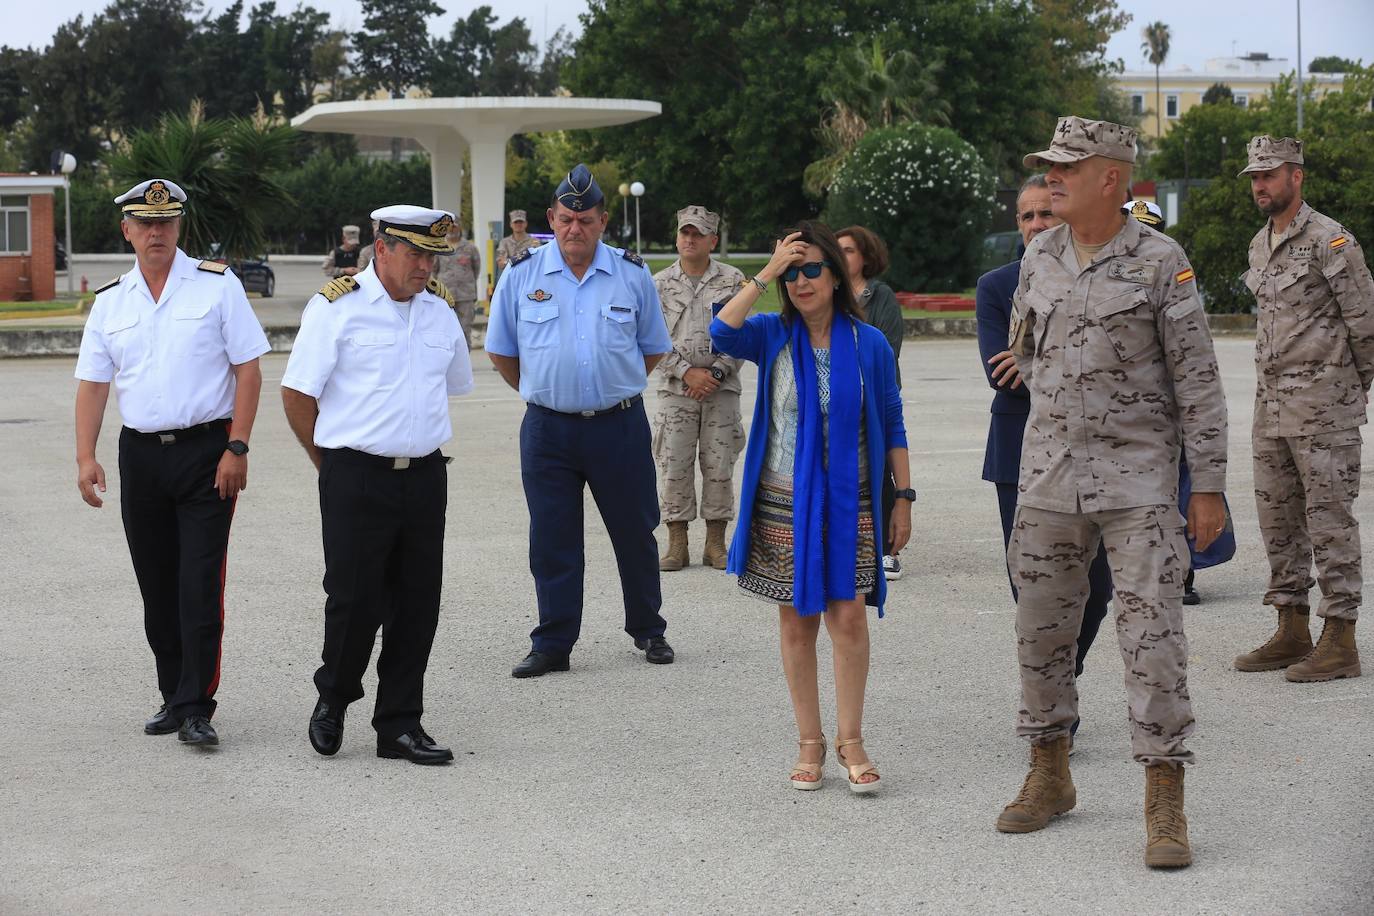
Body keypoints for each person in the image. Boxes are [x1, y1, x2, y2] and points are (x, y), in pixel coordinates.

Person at [998, 117, 1229, 869]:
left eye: (1069, 165)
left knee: (1152, 637)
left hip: (1138, 482)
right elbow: (1026, 356)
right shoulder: (1039, 255)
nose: (1051, 176)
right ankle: (1050, 771)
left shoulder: (1162, 260)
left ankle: (1165, 795)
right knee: (1041, 633)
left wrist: (1209, 488)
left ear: (1112, 176)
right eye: (1049, 165)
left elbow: (1197, 382)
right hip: (1049, 479)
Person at [710, 221, 911, 795]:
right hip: (782, 499)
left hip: (853, 500)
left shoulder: (866, 341)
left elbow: (893, 422)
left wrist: (904, 498)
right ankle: (809, 742)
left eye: (811, 269)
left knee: (846, 617)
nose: (801, 281)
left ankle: (852, 739)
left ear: (836, 275)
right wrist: (766, 272)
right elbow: (720, 331)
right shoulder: (771, 333)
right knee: (796, 620)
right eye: (792, 273)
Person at [74, 178, 270, 748]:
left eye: (166, 221)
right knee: (157, 587)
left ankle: (196, 706)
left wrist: (238, 446)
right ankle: (172, 695)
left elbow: (249, 369)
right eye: (145, 222)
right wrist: (85, 455)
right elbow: (92, 384)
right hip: (140, 457)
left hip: (206, 454)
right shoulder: (111, 301)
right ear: (127, 230)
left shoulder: (216, 286)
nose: (156, 231)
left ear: (179, 226)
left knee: (199, 584)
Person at [281, 205, 474, 765]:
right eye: (415, 253)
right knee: (354, 600)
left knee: (418, 603)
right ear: (381, 249)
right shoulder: (336, 307)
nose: (425, 266)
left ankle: (399, 724)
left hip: (423, 476)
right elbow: (297, 396)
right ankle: (334, 698)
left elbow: (453, 384)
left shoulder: (440, 311)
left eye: (432, 255)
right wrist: (331, 466)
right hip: (355, 475)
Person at [485, 164, 675, 678]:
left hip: (618, 425)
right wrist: (543, 391)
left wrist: (614, 386)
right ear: (552, 217)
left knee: (635, 530)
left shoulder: (631, 274)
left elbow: (652, 350)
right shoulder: (521, 275)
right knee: (552, 537)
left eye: (586, 220)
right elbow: (502, 352)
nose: (575, 228)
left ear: (603, 221)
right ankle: (553, 642)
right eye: (567, 218)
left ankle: (648, 628)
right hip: (549, 430)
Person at [1234, 135, 1374, 682]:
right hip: (1270, 409)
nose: (1260, 186)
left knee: (1329, 522)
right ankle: (1291, 628)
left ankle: (1339, 639)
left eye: (1270, 175)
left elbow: (1366, 325)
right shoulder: (1259, 244)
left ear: (1297, 176)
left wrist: (1344, 391)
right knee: (1278, 520)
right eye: (1254, 177)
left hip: (1323, 411)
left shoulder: (1332, 242)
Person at [976, 175, 1113, 703]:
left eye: (1045, 214)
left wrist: (1040, 361)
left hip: (1096, 451)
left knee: (1097, 587)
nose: (1036, 225)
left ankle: (1059, 675)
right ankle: (1052, 699)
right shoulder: (996, 286)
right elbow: (1001, 374)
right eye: (1026, 216)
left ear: (1065, 213)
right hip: (1018, 452)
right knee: (1033, 588)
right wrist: (1078, 365)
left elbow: (1115, 367)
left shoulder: (1095, 275)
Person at [1121, 198, 1236, 607]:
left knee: (1183, 486)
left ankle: (1186, 570)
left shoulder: (1172, 267)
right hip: (1130, 415)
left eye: (1151, 226)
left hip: (1172, 407)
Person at [653, 205, 746, 572]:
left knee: (719, 464)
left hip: (721, 390)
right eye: (684, 233)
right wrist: (685, 372)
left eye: (697, 233)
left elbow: (742, 332)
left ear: (713, 240)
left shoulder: (733, 280)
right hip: (676, 391)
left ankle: (715, 544)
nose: (689, 239)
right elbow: (650, 338)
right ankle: (677, 544)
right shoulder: (659, 284)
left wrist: (717, 374)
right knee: (673, 463)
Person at [836, 225, 906, 581]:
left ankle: (886, 550)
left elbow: (887, 350)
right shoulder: (828, 293)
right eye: (837, 250)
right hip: (836, 398)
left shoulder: (881, 297)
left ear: (865, 257)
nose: (841, 255)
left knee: (879, 472)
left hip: (875, 396)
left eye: (848, 250)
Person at [436, 221, 482, 349]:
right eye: (449, 227)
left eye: (454, 226)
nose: (452, 229)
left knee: (464, 331)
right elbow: (434, 269)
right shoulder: (439, 246)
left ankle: (464, 364)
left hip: (465, 296)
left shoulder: (470, 247)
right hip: (444, 296)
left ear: (459, 227)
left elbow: (476, 268)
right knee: (443, 330)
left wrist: (466, 281)